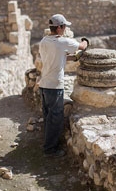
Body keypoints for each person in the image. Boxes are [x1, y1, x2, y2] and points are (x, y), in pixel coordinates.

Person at [38, 14, 88, 158]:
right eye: (64, 26)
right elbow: (82, 46)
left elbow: (58, 56)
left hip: (44, 84)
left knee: (48, 116)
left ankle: (47, 144)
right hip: (54, 86)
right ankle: (50, 150)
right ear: (59, 28)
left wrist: (74, 57)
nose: (65, 29)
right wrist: (85, 40)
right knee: (55, 118)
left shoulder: (44, 41)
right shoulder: (63, 42)